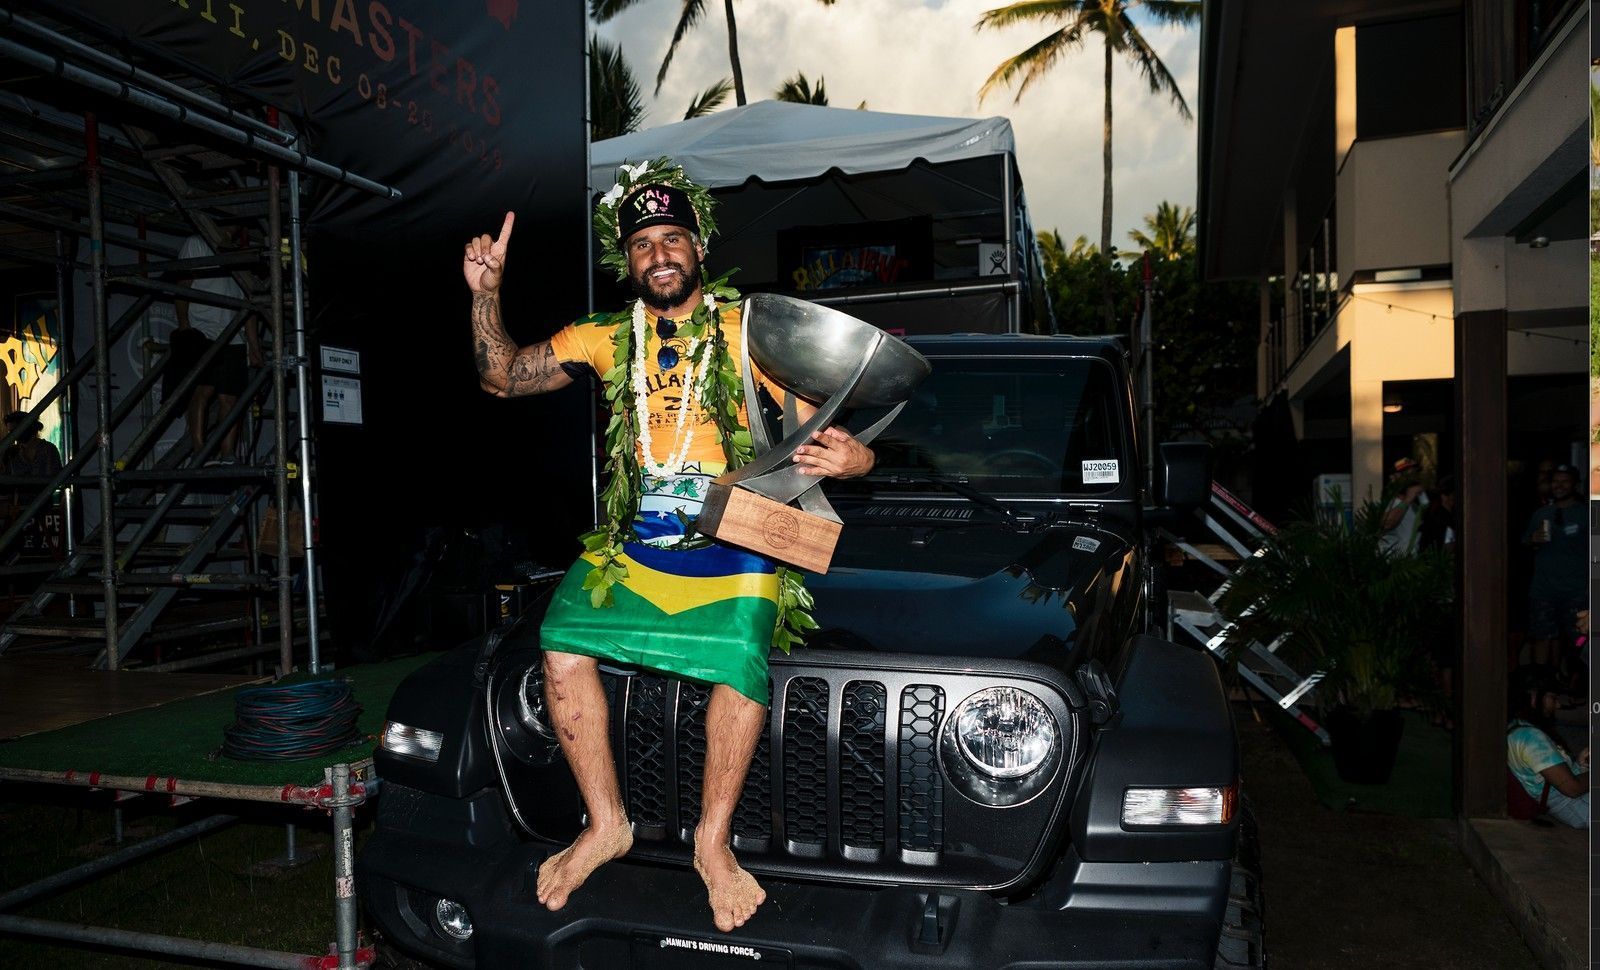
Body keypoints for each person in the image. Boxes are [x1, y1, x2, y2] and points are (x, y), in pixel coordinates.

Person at [463, 162, 874, 933]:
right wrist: (486, 291)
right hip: (638, 539)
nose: (660, 254)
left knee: (740, 657)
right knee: (558, 642)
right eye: (644, 242)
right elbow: (499, 378)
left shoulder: (752, 332)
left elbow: (835, 428)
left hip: (735, 534)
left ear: (697, 248)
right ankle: (605, 824)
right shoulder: (605, 336)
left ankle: (713, 846)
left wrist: (859, 460)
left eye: (673, 239)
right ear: (631, 260)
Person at [171, 233, 263, 464]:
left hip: (233, 334)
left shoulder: (240, 255)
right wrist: (183, 324)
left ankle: (227, 453)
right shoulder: (197, 243)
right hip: (204, 331)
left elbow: (248, 304)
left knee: (230, 398)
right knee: (203, 391)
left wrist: (254, 346)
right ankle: (200, 450)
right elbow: (183, 284)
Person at [1520, 464, 1584, 671]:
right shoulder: (1541, 513)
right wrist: (1532, 539)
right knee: (1541, 637)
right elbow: (1525, 543)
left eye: (1564, 481)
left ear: (1575, 484)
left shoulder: (1586, 513)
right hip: (1544, 590)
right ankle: (1542, 686)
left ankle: (1578, 681)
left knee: (1580, 639)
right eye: (1555, 481)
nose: (1559, 485)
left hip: (1577, 591)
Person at [1507, 669, 1589, 828]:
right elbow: (1572, 788)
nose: (1557, 704)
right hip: (1576, 806)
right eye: (1553, 697)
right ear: (1533, 696)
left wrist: (1579, 765)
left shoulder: (1517, 727)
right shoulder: (1529, 737)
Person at [1379, 457, 1428, 555]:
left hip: (1411, 565)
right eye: (1406, 474)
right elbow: (1386, 524)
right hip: (1395, 566)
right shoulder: (1394, 503)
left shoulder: (1415, 504)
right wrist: (1408, 499)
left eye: (1414, 473)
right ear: (1393, 478)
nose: (1412, 478)